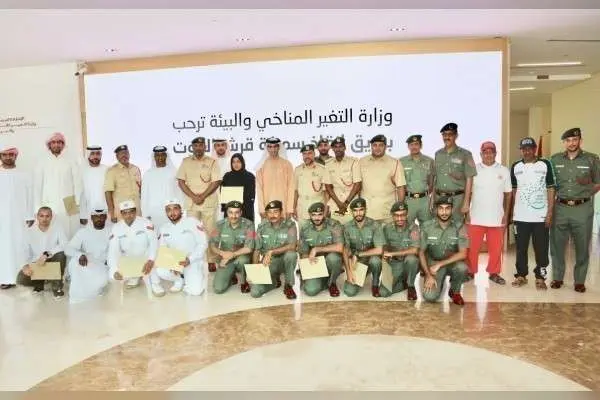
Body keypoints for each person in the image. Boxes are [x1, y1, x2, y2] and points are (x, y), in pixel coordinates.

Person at [549, 128, 600, 293]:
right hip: (561, 207)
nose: (572, 143)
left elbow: (598, 182)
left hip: (582, 209)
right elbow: (551, 186)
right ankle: (557, 278)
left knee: (582, 246)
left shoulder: (592, 159)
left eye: (575, 139)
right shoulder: (554, 160)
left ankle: (579, 281)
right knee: (557, 245)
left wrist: (586, 193)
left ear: (580, 141)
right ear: (564, 142)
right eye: (568, 140)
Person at [510, 137, 556, 290]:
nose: (527, 151)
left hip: (540, 217)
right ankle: (521, 275)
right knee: (520, 248)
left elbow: (551, 188)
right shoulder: (515, 166)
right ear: (521, 150)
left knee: (541, 249)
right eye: (524, 148)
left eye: (530, 148)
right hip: (520, 217)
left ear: (535, 149)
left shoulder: (545, 164)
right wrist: (511, 212)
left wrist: (549, 212)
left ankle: (540, 277)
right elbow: (514, 191)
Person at [465, 141, 512, 285]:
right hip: (475, 216)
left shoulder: (504, 171)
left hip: (496, 217)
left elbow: (508, 194)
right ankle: (470, 272)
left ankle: (494, 273)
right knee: (472, 248)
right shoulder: (474, 170)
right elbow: (469, 192)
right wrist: (467, 211)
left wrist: (507, 214)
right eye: (485, 152)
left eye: (491, 152)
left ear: (495, 153)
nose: (488, 154)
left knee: (496, 249)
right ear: (481, 154)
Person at [176, 136, 222, 272]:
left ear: (205, 147)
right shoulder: (185, 162)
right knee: (192, 232)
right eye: (195, 145)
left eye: (201, 145)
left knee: (210, 232)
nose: (198, 148)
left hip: (208, 203)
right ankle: (192, 259)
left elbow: (216, 182)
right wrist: (193, 197)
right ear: (192, 147)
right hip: (192, 204)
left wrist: (202, 196)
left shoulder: (212, 162)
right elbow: (181, 182)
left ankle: (212, 260)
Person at [419, 196, 468, 306]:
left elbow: (463, 254)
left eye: (447, 208)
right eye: (441, 208)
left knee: (462, 268)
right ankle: (438, 281)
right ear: (436, 209)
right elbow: (421, 252)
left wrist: (441, 264)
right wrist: (428, 275)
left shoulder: (460, 227)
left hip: (451, 262)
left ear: (452, 209)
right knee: (429, 297)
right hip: (433, 263)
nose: (444, 212)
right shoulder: (427, 227)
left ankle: (455, 291)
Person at [155, 199, 209, 296]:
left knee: (195, 292)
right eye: (168, 210)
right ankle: (179, 280)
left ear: (181, 209)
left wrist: (190, 259)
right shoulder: (164, 228)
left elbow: (203, 243)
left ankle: (194, 276)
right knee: (160, 270)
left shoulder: (193, 222)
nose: (172, 212)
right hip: (176, 262)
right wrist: (171, 263)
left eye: (175, 208)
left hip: (192, 261)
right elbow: (163, 248)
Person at [33, 132, 82, 238]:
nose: (56, 145)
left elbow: (78, 184)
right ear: (49, 144)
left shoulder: (71, 160)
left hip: (69, 202)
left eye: (59, 142)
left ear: (63, 144)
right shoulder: (42, 161)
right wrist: (37, 208)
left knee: (70, 231)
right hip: (48, 202)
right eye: (54, 142)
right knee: (51, 234)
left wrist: (77, 203)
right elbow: (37, 186)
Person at [0, 146, 34, 289]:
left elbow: (30, 196)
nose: (8, 157)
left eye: (11, 154)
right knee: (3, 246)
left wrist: (30, 214)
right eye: (5, 154)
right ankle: (4, 278)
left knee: (19, 245)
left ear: (16, 156)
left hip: (20, 217)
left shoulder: (24, 174)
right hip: (2, 217)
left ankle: (20, 277)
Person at [107, 200, 158, 293]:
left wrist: (151, 260)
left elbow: (154, 243)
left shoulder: (146, 223)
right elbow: (112, 251)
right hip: (129, 259)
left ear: (135, 211)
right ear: (121, 214)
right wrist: (114, 269)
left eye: (131, 212)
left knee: (154, 262)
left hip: (146, 257)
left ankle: (156, 284)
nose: (128, 215)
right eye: (125, 213)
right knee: (112, 275)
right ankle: (135, 276)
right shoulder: (116, 228)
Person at [18, 206, 68, 297]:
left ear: (51, 217)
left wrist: (47, 254)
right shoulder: (29, 231)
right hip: (37, 263)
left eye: (47, 216)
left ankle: (57, 286)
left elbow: (65, 245)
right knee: (20, 279)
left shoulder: (58, 228)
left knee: (61, 255)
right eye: (42, 216)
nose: (44, 219)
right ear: (37, 217)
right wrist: (25, 265)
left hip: (52, 261)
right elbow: (24, 250)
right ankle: (39, 283)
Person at [252, 200, 298, 299]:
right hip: (269, 262)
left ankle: (288, 285)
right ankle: (274, 281)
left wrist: (272, 251)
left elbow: (292, 246)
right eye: (270, 212)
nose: (272, 215)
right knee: (255, 292)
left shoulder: (290, 225)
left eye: (276, 212)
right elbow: (257, 249)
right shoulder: (261, 227)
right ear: (266, 214)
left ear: (281, 212)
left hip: (284, 260)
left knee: (291, 255)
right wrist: (254, 271)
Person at [65, 208, 110, 303]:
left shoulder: (111, 230)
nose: (99, 219)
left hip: (103, 266)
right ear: (91, 218)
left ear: (106, 217)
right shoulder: (83, 232)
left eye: (102, 216)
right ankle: (77, 296)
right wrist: (79, 255)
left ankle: (97, 288)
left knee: (101, 280)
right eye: (96, 217)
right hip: (88, 263)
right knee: (74, 262)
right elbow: (68, 249)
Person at [434, 123, 477, 223]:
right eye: (444, 135)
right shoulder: (438, 154)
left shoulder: (465, 154)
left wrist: (466, 203)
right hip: (440, 199)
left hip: (457, 200)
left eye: (450, 134)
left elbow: (469, 179)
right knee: (440, 229)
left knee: (456, 229)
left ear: (456, 136)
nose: (447, 137)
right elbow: (436, 177)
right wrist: (433, 199)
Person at [342, 198, 385, 297]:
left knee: (376, 261)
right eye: (355, 211)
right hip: (356, 262)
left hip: (370, 258)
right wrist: (349, 272)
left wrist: (358, 254)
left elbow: (380, 249)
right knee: (350, 292)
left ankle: (375, 284)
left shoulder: (374, 225)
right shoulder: (347, 227)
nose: (358, 213)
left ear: (365, 210)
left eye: (361, 210)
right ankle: (363, 273)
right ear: (351, 212)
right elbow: (345, 250)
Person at [298, 202, 344, 297]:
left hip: (330, 260)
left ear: (324, 214)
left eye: (320, 214)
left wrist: (316, 249)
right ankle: (324, 281)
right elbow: (304, 253)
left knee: (334, 258)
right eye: (313, 215)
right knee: (310, 290)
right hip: (315, 263)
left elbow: (340, 247)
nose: (317, 218)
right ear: (309, 215)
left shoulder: (334, 225)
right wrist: (306, 273)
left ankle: (332, 283)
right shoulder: (305, 228)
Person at [211, 200, 255, 294]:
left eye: (237, 213)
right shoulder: (219, 225)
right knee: (218, 289)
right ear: (227, 213)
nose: (233, 216)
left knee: (243, 260)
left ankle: (244, 282)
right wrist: (223, 254)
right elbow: (213, 245)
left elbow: (249, 248)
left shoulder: (249, 225)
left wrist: (232, 254)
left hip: (241, 256)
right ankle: (231, 277)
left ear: (241, 213)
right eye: (230, 212)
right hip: (226, 258)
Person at [359, 134, 406, 223]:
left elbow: (401, 187)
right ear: (371, 146)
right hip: (367, 212)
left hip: (387, 213)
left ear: (385, 147)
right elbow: (357, 185)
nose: (378, 148)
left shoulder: (395, 163)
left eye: (381, 145)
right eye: (375, 145)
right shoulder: (362, 161)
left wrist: (400, 208)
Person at [380, 201, 419, 300]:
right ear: (392, 216)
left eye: (402, 215)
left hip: (408, 263)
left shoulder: (414, 228)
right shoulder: (387, 228)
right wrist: (384, 255)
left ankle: (410, 286)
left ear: (407, 215)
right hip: (395, 263)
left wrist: (392, 253)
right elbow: (384, 246)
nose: (400, 218)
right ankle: (402, 283)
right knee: (384, 292)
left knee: (412, 259)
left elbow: (414, 250)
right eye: (396, 216)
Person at [141, 146, 182, 231]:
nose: (160, 157)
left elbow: (179, 192)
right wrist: (145, 215)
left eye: (162, 155)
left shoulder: (174, 172)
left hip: (171, 212)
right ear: (154, 157)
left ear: (166, 156)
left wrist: (181, 210)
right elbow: (144, 196)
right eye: (157, 155)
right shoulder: (148, 174)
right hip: (154, 213)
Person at [324, 136, 362, 224]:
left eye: (340, 146)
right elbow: (328, 186)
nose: (338, 149)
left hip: (351, 203)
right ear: (332, 149)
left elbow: (357, 185)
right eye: (336, 147)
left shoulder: (354, 162)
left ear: (345, 148)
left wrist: (346, 203)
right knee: (336, 232)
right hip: (335, 204)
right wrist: (339, 203)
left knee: (351, 232)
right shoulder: (328, 164)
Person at [256, 137, 295, 219]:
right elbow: (259, 189)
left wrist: (289, 209)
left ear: (279, 147)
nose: (273, 149)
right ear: (267, 148)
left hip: (284, 207)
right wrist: (261, 209)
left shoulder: (287, 164)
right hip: (267, 208)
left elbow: (291, 188)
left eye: (275, 146)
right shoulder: (261, 166)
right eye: (270, 147)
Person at [400, 134, 434, 225]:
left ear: (421, 145)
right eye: (411, 145)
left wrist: (426, 195)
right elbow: (399, 184)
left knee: (427, 227)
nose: (414, 147)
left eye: (416, 144)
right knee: (406, 228)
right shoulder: (401, 162)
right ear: (408, 146)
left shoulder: (429, 161)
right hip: (409, 201)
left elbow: (432, 182)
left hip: (425, 201)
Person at [104, 145, 142, 223]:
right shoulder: (112, 171)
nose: (124, 155)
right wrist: (112, 213)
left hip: (137, 210)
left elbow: (140, 189)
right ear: (117, 156)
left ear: (129, 154)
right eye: (121, 154)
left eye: (126, 153)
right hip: (122, 212)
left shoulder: (136, 169)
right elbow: (108, 193)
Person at [294, 144, 331, 221]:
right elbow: (295, 191)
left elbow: (326, 193)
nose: (307, 156)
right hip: (302, 210)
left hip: (317, 210)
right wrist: (294, 208)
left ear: (314, 154)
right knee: (303, 232)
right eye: (304, 154)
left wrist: (326, 210)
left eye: (309, 153)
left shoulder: (322, 170)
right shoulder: (297, 170)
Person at [220, 153, 256, 222]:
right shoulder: (227, 177)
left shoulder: (249, 177)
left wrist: (239, 209)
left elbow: (251, 196)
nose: (236, 164)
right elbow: (223, 195)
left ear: (242, 162)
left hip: (245, 212)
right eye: (233, 162)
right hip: (230, 213)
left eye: (238, 161)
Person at [79, 145, 109, 226]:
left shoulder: (107, 169)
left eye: (98, 154)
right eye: (92, 154)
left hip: (106, 211)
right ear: (88, 155)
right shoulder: (82, 171)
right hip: (88, 211)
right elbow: (81, 194)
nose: (95, 156)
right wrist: (82, 214)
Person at [212, 138, 231, 223]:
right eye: (218, 145)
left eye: (223, 145)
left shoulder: (232, 160)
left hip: (229, 193)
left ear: (226, 146)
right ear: (214, 147)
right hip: (214, 194)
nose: (220, 147)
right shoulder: (210, 162)